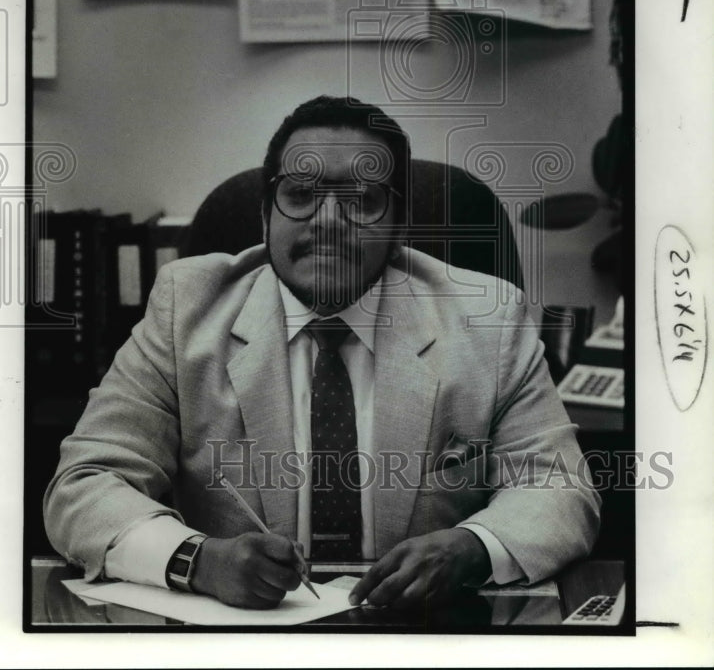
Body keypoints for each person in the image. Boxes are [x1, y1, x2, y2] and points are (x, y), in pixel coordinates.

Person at [44, 95, 600, 611]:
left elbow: (561, 487)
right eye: (301, 194)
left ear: (398, 223)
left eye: (362, 199)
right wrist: (199, 560)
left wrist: (472, 547)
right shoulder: (185, 309)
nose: (329, 221)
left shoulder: (489, 319)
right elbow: (85, 485)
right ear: (267, 215)